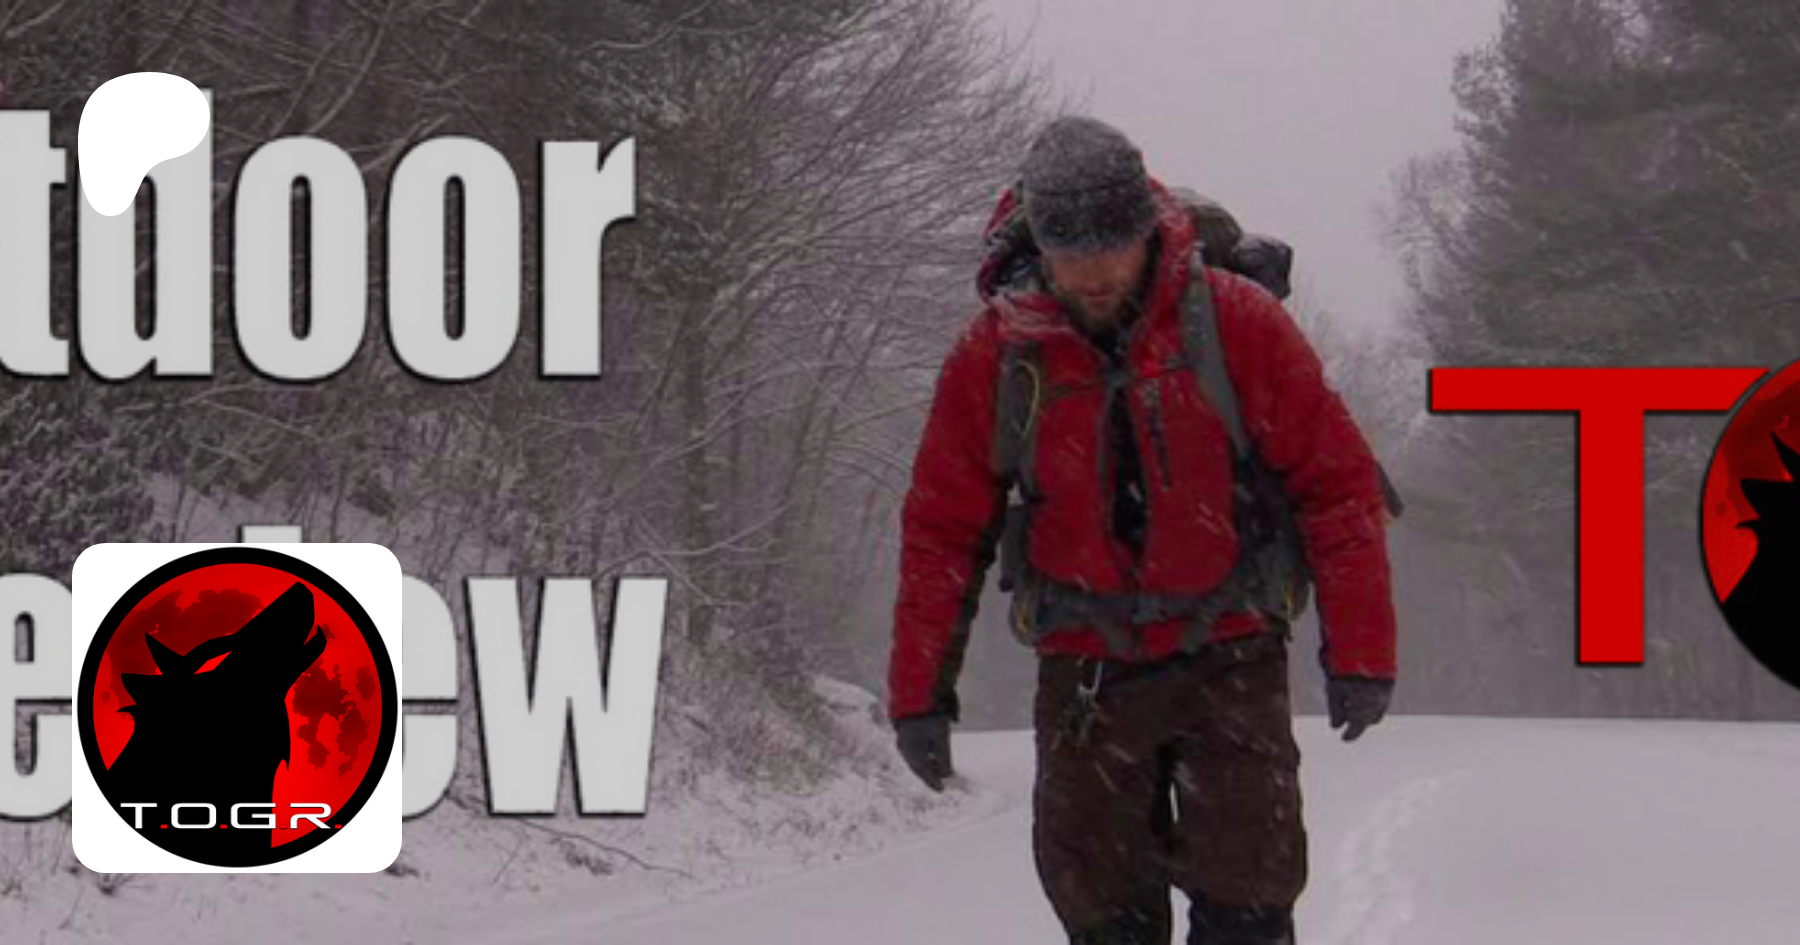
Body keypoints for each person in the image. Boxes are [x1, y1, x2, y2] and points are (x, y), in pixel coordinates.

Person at [886, 116, 1398, 945]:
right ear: (1041, 245)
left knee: (1250, 907)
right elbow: (942, 530)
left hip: (1231, 655)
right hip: (1086, 675)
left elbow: (1336, 487)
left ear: (1145, 229)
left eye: (1112, 247)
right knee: (1104, 921)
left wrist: (1362, 652)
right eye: (1070, 252)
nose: (1093, 273)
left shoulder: (1236, 322)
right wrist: (918, 694)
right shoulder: (997, 355)